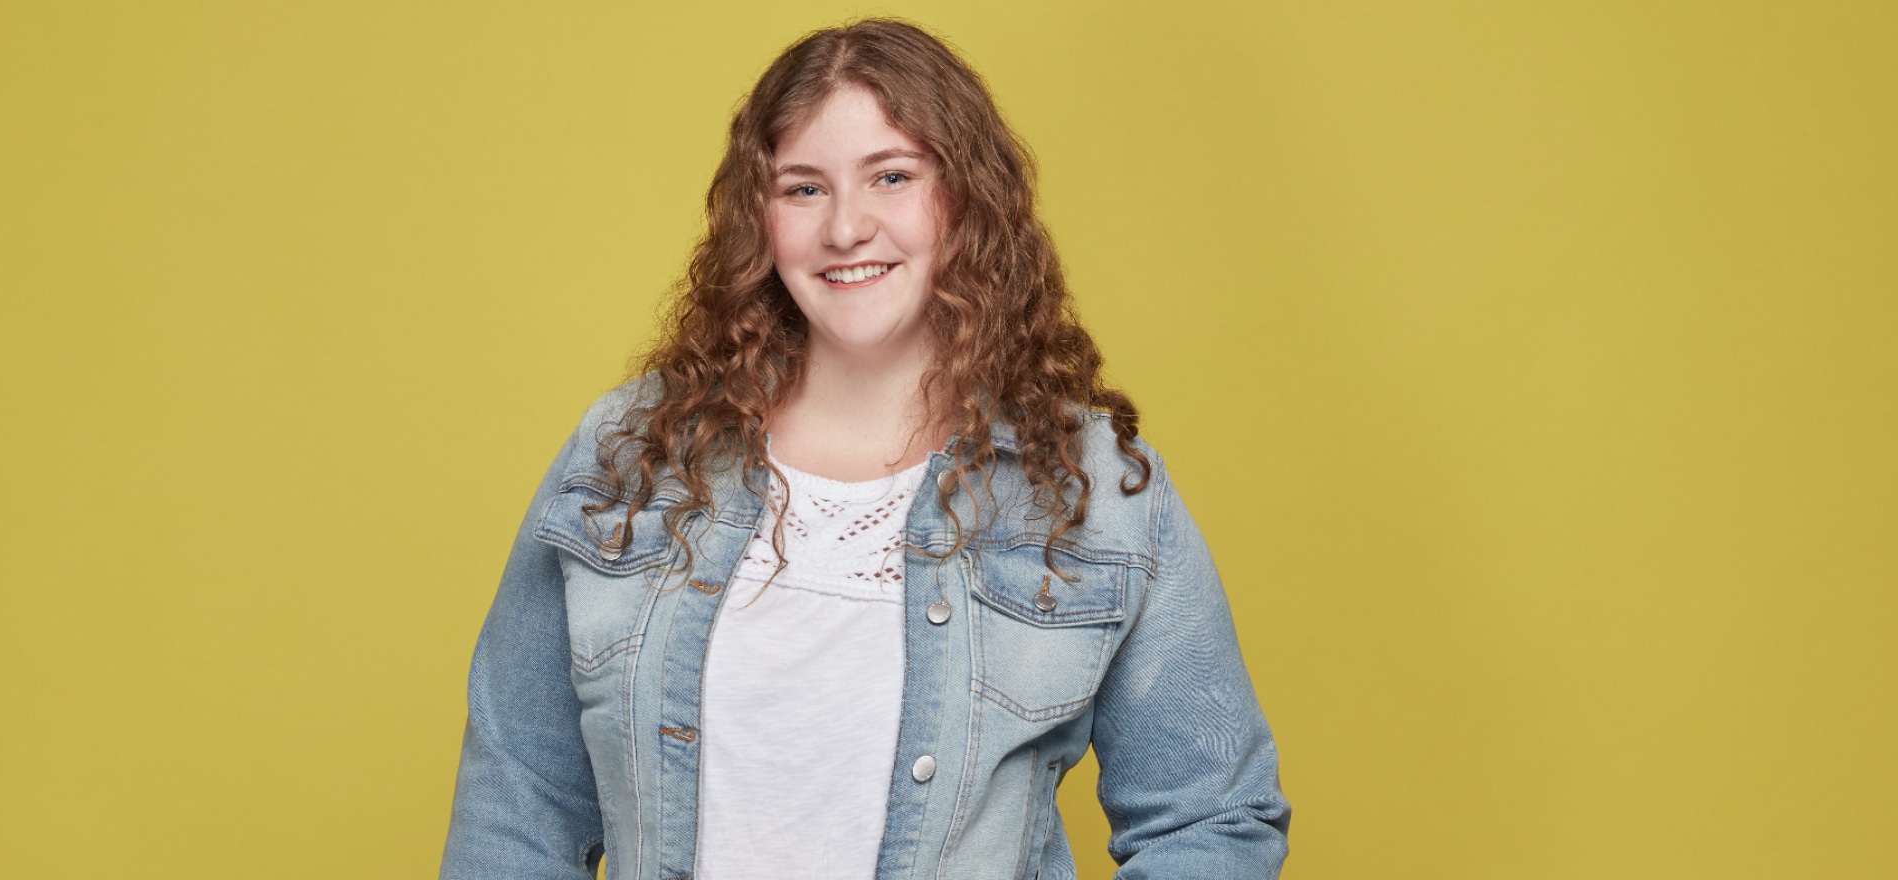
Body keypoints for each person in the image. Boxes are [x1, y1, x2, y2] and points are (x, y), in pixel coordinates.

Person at [442, 18, 1287, 880]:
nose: (846, 228)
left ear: (966, 197)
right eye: (802, 189)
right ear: (757, 218)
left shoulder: (1094, 488)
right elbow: (518, 796)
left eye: (891, 177)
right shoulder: (632, 453)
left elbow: (1210, 816)